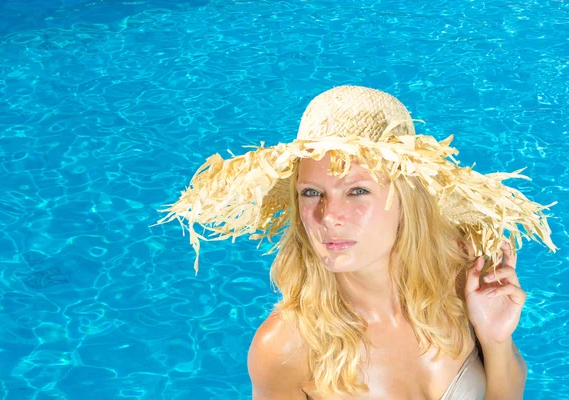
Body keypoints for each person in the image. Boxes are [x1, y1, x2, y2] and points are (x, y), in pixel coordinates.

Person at [153, 86, 558, 399]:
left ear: (406, 199)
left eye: (357, 191)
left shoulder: (459, 274)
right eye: (311, 193)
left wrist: (495, 339)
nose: (329, 216)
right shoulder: (287, 347)